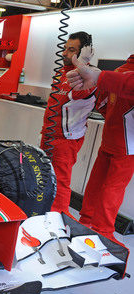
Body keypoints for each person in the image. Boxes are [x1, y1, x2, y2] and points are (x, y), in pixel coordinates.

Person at [68, 54, 134, 244]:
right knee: (114, 187)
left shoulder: (118, 72)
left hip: (110, 136)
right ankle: (103, 230)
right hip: (129, 143)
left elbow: (101, 102)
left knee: (97, 180)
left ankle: (86, 220)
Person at [39, 31, 96, 214]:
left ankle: (59, 221)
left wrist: (83, 65)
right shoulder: (60, 73)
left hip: (66, 140)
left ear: (83, 52)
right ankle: (42, 213)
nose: (65, 53)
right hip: (48, 135)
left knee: (60, 182)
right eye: (65, 48)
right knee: (44, 177)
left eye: (71, 50)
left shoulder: (88, 77)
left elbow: (80, 94)